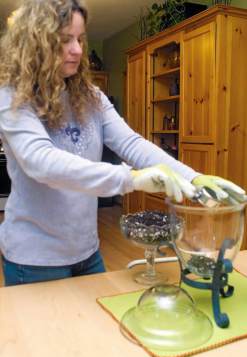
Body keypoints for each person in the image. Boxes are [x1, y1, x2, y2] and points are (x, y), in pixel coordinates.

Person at [0, 0, 245, 286]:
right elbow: (41, 162)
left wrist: (195, 178)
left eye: (79, 39)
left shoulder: (91, 96)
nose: (78, 50)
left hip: (87, 252)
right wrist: (132, 178)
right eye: (64, 40)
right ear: (35, 44)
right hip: (34, 260)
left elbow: (132, 144)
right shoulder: (12, 95)